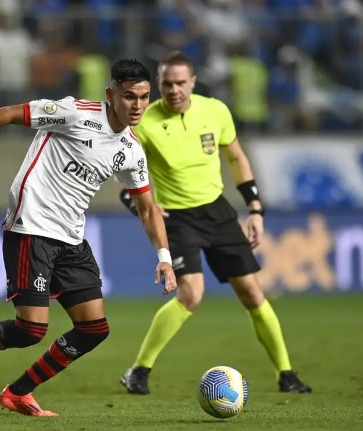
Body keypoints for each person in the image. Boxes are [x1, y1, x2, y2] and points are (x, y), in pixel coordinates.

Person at [0, 59, 178, 416]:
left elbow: (149, 208)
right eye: (129, 96)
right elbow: (9, 112)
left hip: (71, 238)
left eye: (144, 97)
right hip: (31, 226)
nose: (137, 106)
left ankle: (18, 392)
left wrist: (164, 258)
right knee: (31, 328)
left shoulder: (131, 151)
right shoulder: (74, 113)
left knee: (93, 328)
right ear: (111, 94)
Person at [118, 51, 312, 395]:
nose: (174, 90)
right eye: (167, 83)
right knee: (191, 294)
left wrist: (254, 208)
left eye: (180, 83)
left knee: (253, 294)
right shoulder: (144, 124)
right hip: (177, 218)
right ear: (159, 84)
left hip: (217, 212)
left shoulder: (216, 111)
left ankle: (287, 374)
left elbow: (236, 158)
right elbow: (124, 179)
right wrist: (141, 208)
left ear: (193, 82)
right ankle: (139, 371)